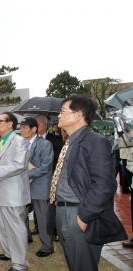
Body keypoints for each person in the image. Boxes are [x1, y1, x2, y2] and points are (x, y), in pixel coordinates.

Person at [50, 95, 127, 271]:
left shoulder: (95, 141)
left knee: (83, 266)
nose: (59, 115)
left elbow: (104, 185)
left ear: (78, 114)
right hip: (63, 211)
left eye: (62, 111)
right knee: (74, 264)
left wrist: (84, 216)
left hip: (79, 213)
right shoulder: (70, 142)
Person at [0, 112, 30, 271]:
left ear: (10, 124)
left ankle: (20, 264)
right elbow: (3, 165)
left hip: (13, 193)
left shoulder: (19, 141)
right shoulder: (2, 142)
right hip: (2, 190)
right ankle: (9, 252)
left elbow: (19, 165)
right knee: (4, 226)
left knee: (16, 228)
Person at [20, 117, 54, 257]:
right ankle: (26, 236)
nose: (22, 130)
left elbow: (46, 166)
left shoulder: (45, 144)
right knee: (21, 214)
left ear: (34, 129)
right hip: (23, 186)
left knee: (42, 218)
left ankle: (47, 246)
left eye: (24, 127)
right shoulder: (21, 144)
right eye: (21, 127)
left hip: (40, 186)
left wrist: (25, 173)